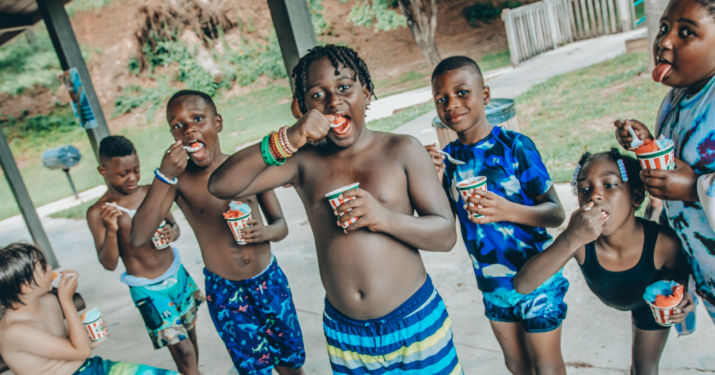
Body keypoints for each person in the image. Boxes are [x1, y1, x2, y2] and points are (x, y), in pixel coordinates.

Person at [208, 44, 463, 375]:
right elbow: (221, 185)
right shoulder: (304, 163)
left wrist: (384, 218)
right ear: (303, 108)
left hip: (415, 322)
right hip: (345, 335)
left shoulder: (402, 149)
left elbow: (445, 235)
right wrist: (287, 138)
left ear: (366, 93)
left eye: (344, 87)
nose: (333, 101)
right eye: (317, 94)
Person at [129, 90, 304, 375]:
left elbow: (281, 226)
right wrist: (163, 175)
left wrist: (265, 232)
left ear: (218, 122)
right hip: (226, 292)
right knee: (253, 370)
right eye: (178, 125)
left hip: (268, 281)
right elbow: (138, 236)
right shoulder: (178, 182)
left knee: (290, 363)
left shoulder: (248, 167)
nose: (189, 130)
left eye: (198, 119)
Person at [613, 0, 715, 368]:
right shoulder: (675, 99)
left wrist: (696, 186)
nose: (664, 42)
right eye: (664, 27)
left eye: (686, 32)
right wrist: (647, 145)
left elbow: (693, 182)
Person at [425, 55, 567, 374]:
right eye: (441, 99)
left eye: (463, 93)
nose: (452, 104)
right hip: (493, 285)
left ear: (485, 95)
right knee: (517, 366)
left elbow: (555, 213)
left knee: (546, 366)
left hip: (538, 277)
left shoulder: (515, 147)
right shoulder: (449, 162)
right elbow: (445, 225)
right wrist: (432, 180)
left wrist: (507, 210)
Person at [514, 149, 694, 374]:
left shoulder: (663, 243)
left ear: (636, 197)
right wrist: (569, 239)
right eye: (584, 189)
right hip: (608, 273)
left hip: (650, 304)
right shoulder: (579, 242)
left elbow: (678, 270)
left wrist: (680, 294)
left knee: (644, 368)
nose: (594, 195)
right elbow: (523, 284)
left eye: (608, 185)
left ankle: (651, 211)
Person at [86, 135, 202, 375]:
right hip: (147, 290)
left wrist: (172, 232)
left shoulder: (151, 191)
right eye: (123, 173)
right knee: (183, 352)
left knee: (190, 337)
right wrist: (111, 229)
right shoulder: (98, 211)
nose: (132, 178)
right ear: (103, 170)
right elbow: (109, 263)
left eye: (136, 170)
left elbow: (174, 226)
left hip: (176, 275)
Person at [0, 243, 178, 375]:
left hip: (91, 368)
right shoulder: (15, 331)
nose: (50, 268)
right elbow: (80, 352)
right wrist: (67, 300)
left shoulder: (47, 301)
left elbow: (73, 345)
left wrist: (91, 338)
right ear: (26, 287)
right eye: (43, 268)